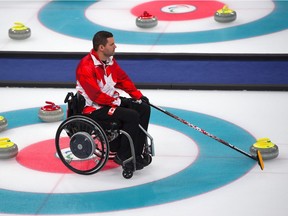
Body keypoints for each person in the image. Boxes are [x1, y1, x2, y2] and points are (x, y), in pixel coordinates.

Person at [75, 30, 151, 171]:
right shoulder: (86, 67)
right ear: (101, 47)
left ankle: (137, 152)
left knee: (143, 108)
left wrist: (137, 96)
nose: (115, 46)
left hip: (110, 101)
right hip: (94, 108)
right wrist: (118, 102)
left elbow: (122, 79)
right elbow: (96, 96)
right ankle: (123, 156)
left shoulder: (109, 61)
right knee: (131, 115)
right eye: (112, 44)